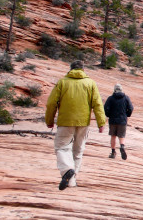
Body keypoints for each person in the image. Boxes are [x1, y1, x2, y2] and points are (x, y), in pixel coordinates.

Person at [45, 61, 106, 190]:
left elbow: (51, 103)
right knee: (78, 150)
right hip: (83, 122)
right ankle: (72, 181)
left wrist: (49, 120)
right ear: (83, 69)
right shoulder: (90, 83)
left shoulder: (62, 82)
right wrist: (101, 122)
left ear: (70, 69)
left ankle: (67, 170)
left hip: (65, 121)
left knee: (61, 147)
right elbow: (97, 104)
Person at [104, 83, 133, 160]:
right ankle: (122, 146)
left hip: (113, 120)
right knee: (121, 136)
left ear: (114, 90)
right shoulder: (126, 98)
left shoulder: (110, 98)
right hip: (122, 120)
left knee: (113, 136)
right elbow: (130, 108)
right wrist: (127, 115)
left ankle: (113, 152)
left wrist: (108, 115)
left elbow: (106, 108)